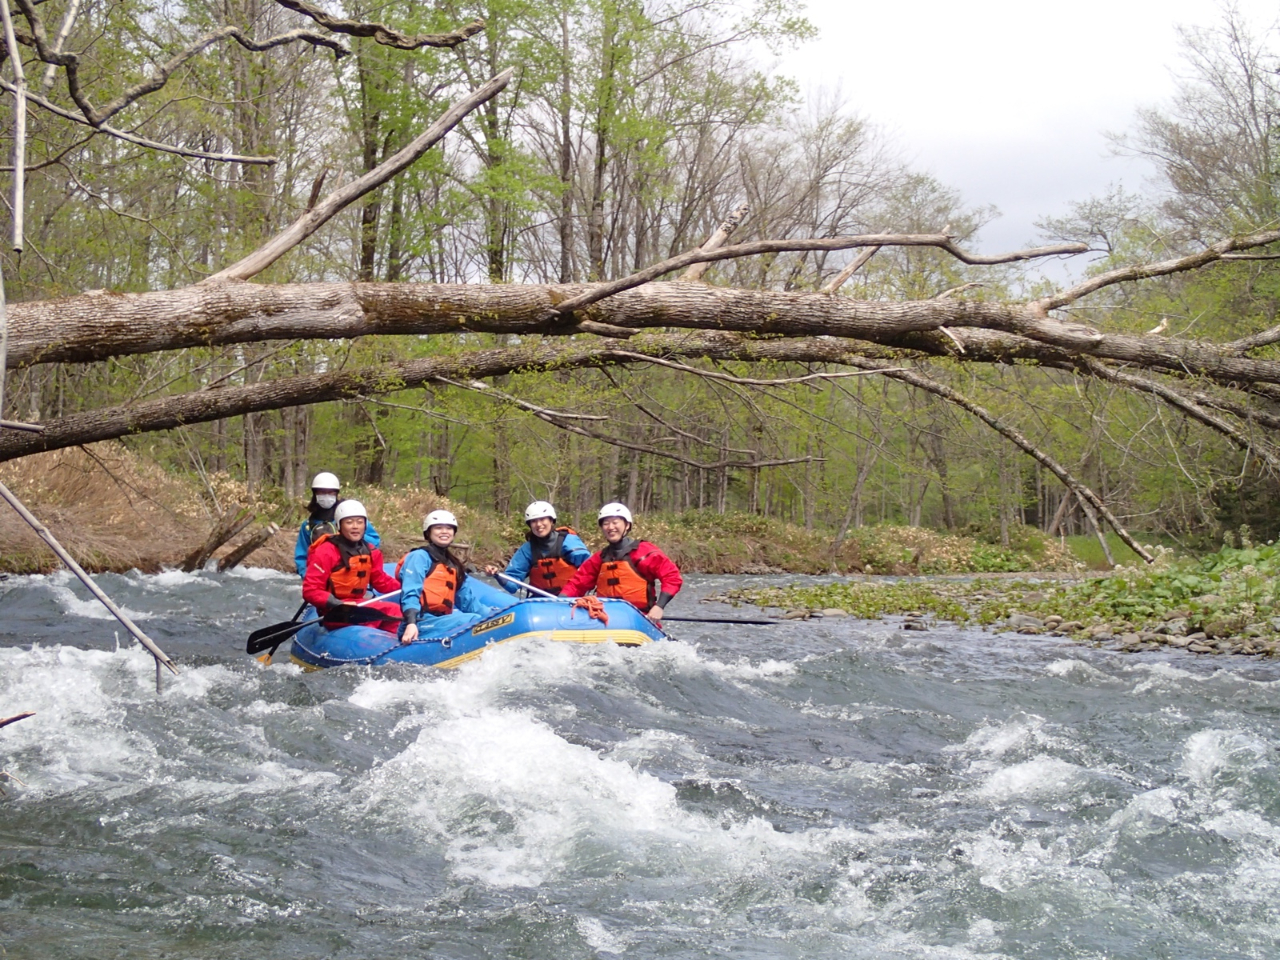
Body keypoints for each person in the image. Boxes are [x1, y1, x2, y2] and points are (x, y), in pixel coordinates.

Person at [398, 510, 509, 643]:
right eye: (438, 528)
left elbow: (468, 603)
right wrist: (411, 622)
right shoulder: (419, 557)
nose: (444, 531)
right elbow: (410, 593)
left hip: (442, 621)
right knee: (472, 619)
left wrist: (495, 616)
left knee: (481, 618)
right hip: (420, 622)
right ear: (428, 532)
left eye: (449, 528)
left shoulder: (454, 565)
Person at [560, 502, 683, 622]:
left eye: (615, 522)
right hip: (605, 617)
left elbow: (672, 577)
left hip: (639, 616)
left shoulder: (644, 552)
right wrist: (560, 600)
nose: (610, 527)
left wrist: (659, 606)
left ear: (627, 525)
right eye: (606, 524)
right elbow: (577, 584)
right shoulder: (599, 558)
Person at [301, 499, 401, 633]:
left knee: (396, 612)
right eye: (349, 522)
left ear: (365, 525)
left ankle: (392, 646)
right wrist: (339, 604)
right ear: (339, 525)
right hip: (335, 610)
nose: (355, 526)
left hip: (360, 605)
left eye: (360, 522)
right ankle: (366, 645)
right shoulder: (325, 551)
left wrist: (408, 587)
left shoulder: (372, 552)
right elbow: (310, 591)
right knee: (368, 617)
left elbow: (380, 581)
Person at [484, 500, 591, 596]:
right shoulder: (527, 549)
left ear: (551, 521)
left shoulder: (568, 541)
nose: (538, 524)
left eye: (542, 519)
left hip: (571, 598)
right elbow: (513, 585)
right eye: (534, 521)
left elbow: (590, 570)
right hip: (541, 601)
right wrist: (497, 575)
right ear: (530, 525)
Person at [294, 472, 381, 577]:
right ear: (315, 494)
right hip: (321, 576)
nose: (326, 496)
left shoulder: (351, 516)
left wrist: (349, 534)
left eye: (330, 492)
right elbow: (302, 557)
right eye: (322, 492)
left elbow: (375, 542)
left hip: (351, 573)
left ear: (336, 494)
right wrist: (307, 575)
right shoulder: (308, 525)